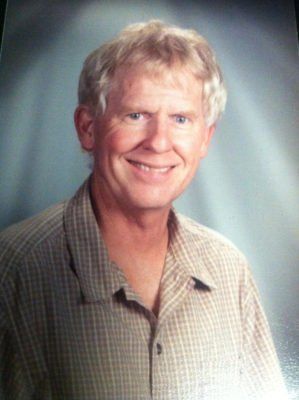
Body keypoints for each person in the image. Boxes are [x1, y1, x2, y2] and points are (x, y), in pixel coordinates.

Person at [0, 20, 287, 399]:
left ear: (205, 138)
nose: (159, 142)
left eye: (181, 119)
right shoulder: (15, 269)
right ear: (87, 128)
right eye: (136, 115)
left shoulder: (228, 269)